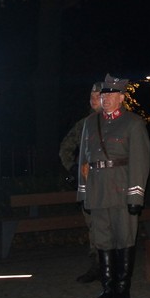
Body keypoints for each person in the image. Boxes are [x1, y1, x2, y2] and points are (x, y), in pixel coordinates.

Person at [77, 74, 150, 298]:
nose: (105, 99)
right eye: (103, 95)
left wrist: (135, 195)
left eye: (110, 95)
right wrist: (83, 192)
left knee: (124, 240)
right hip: (97, 190)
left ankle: (122, 290)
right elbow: (84, 161)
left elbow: (140, 162)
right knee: (103, 241)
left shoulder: (133, 123)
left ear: (121, 97)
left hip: (121, 189)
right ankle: (107, 289)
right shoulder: (91, 123)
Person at [59, 81, 102, 283]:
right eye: (91, 97)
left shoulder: (120, 123)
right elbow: (65, 147)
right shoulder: (84, 124)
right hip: (89, 182)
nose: (93, 101)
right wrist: (73, 169)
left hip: (111, 183)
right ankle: (97, 264)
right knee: (92, 224)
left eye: (97, 96)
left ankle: (114, 264)